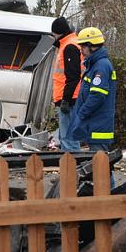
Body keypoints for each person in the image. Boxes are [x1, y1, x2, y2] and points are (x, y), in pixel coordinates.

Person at [69, 27, 117, 153]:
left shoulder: (101, 66)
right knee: (98, 167)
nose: (81, 51)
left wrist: (81, 114)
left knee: (100, 167)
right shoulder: (96, 65)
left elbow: (97, 96)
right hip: (94, 125)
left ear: (91, 46)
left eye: (82, 47)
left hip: (98, 126)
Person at [50, 17, 83, 152]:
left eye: (53, 34)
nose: (53, 36)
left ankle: (71, 170)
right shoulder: (72, 43)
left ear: (58, 32)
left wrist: (66, 99)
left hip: (70, 99)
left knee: (68, 139)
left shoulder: (69, 46)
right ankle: (71, 168)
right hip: (71, 97)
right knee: (68, 138)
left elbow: (73, 76)